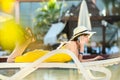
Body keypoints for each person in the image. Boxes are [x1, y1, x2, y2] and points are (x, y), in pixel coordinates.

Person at [7, 26, 104, 63]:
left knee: (11, 60)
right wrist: (82, 46)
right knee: (10, 60)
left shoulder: (75, 46)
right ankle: (26, 41)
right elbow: (78, 62)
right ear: (80, 37)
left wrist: (94, 59)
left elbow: (79, 61)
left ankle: (27, 41)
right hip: (41, 57)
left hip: (43, 57)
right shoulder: (73, 44)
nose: (88, 39)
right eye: (86, 36)